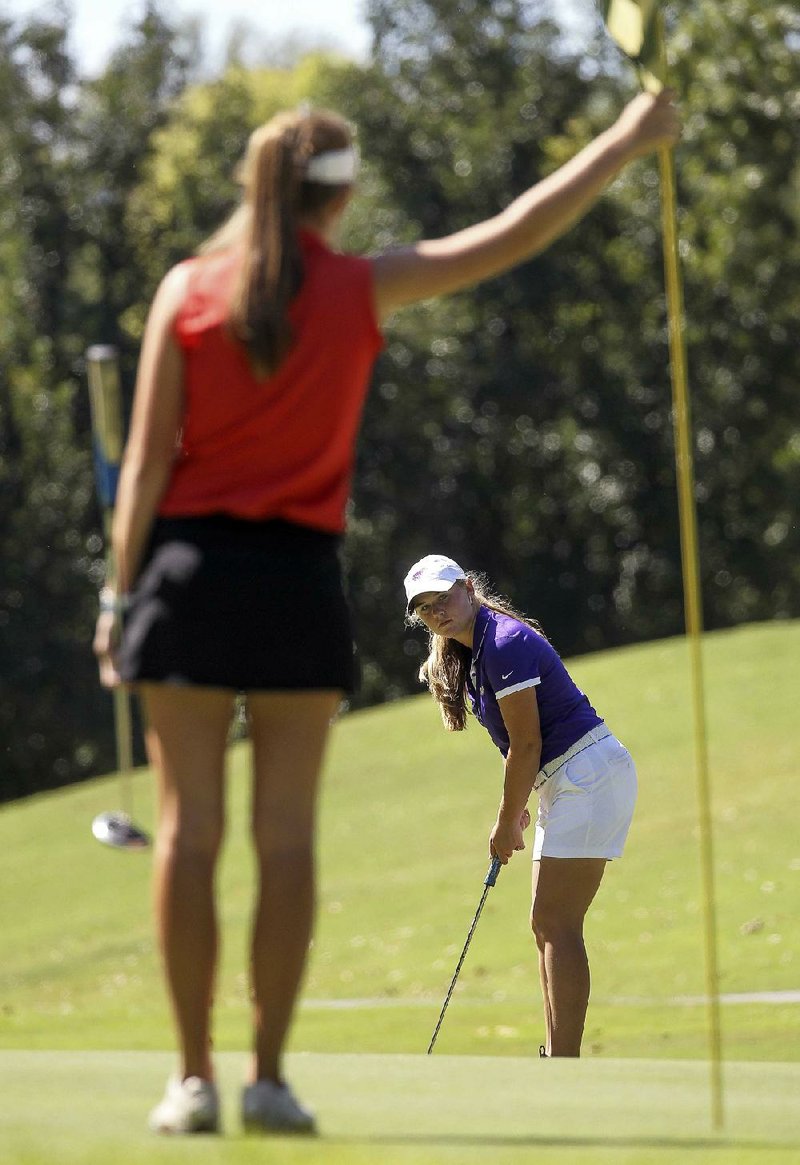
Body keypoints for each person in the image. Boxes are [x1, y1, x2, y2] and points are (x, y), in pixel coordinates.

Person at [93, 93, 678, 1135]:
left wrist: (114, 592)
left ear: (251, 188)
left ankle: (192, 1080)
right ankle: (265, 1078)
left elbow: (141, 464)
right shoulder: (361, 287)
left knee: (185, 832)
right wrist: (627, 139)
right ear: (346, 193)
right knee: (283, 837)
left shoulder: (187, 287)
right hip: (292, 582)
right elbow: (515, 231)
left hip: (183, 573)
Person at [404, 554, 638, 1058]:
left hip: (588, 774)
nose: (437, 611)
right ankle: (557, 1055)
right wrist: (523, 800)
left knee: (557, 924)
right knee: (545, 923)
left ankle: (566, 1063)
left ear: (468, 588)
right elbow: (526, 749)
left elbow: (526, 744)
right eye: (425, 608)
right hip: (568, 778)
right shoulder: (479, 649)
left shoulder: (504, 643)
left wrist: (506, 819)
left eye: (443, 597)